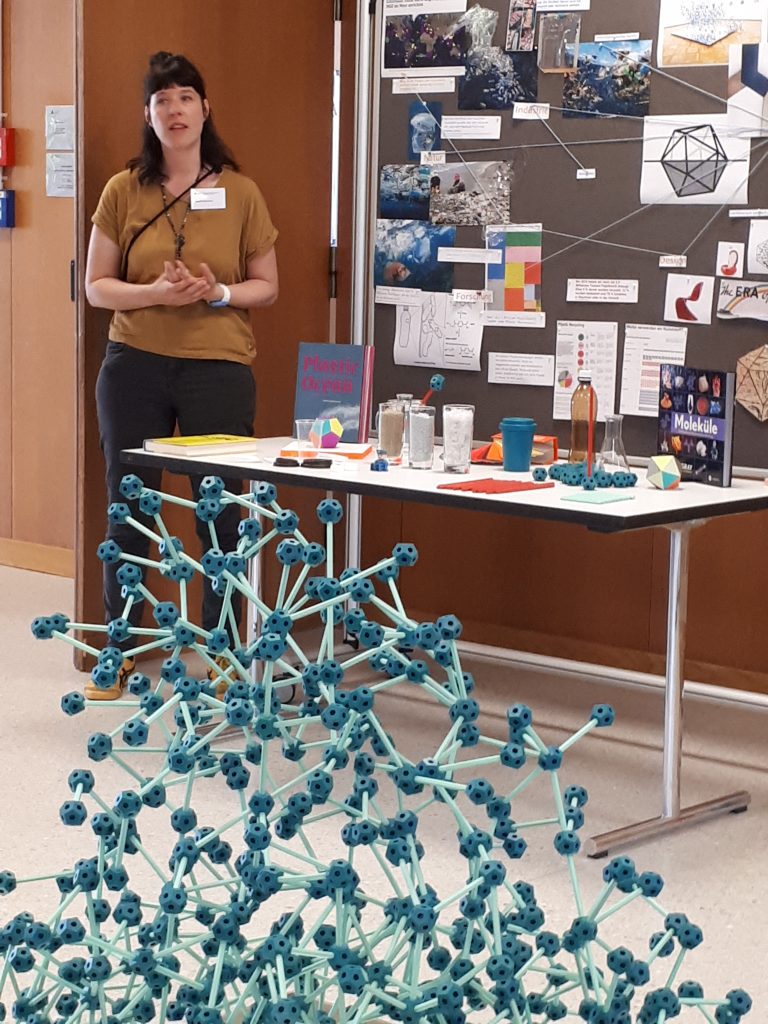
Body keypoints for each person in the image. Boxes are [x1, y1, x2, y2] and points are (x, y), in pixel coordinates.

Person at [84, 51, 278, 700]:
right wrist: (155, 296)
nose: (175, 110)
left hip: (218, 369)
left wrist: (217, 291)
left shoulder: (242, 192)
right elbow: (97, 286)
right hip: (134, 366)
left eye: (185, 97)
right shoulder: (123, 189)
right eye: (162, 99)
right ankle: (118, 648)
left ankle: (221, 648)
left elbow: (266, 287)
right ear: (148, 115)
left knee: (219, 513)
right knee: (128, 509)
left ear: (204, 109)